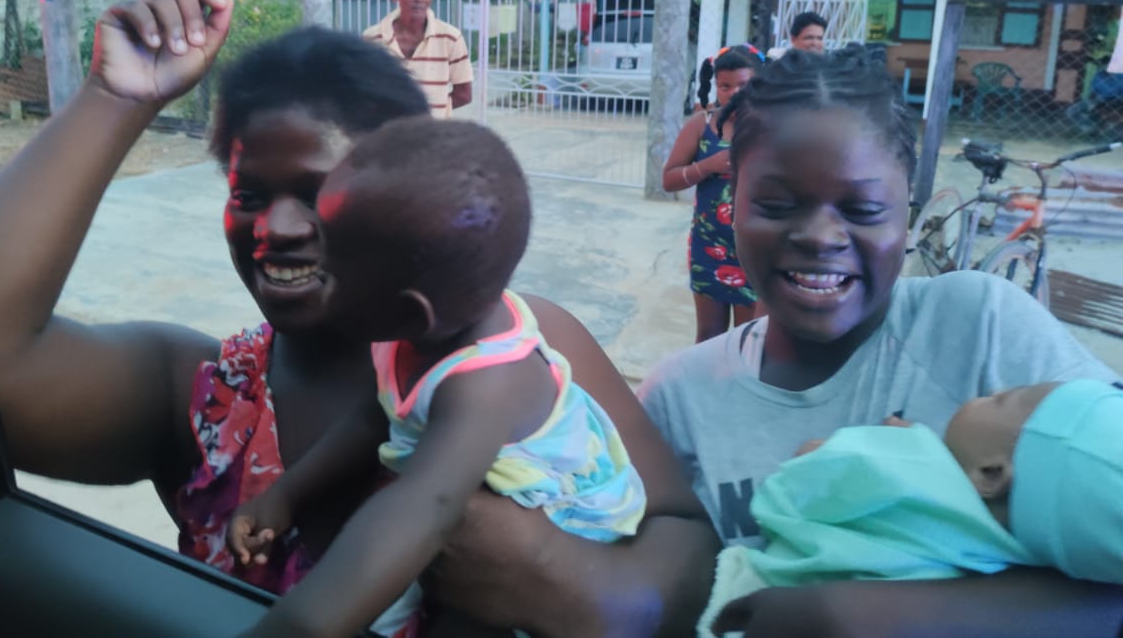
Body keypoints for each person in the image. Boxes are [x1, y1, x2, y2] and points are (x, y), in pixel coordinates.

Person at [0, 0, 715, 637]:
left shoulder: (523, 348)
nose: (275, 227)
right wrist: (114, 99)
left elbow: (685, 534)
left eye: (321, 192)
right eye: (248, 194)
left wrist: (570, 582)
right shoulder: (204, 399)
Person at [639, 47, 1123, 638]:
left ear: (907, 214)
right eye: (777, 205)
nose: (820, 236)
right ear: (731, 204)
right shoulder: (677, 399)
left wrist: (864, 616)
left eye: (864, 208)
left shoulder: (981, 326)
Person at [230, 118, 650, 637]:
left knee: (466, 612)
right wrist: (285, 496)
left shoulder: (486, 385)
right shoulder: (416, 328)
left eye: (331, 276)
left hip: (561, 528)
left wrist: (292, 627)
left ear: (410, 313)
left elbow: (423, 509)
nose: (318, 277)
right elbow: (371, 417)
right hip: (452, 497)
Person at [695, 379, 1123, 637]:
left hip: (760, 605)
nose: (992, 390)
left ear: (990, 474)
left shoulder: (909, 458)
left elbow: (792, 482)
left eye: (1003, 399)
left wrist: (891, 447)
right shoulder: (1030, 560)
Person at [663, 46, 763, 342]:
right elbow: (668, 180)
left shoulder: (772, 127)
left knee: (748, 339)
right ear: (715, 86)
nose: (734, 93)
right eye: (725, 86)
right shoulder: (702, 124)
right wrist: (707, 166)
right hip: (709, 247)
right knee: (709, 337)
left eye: (744, 85)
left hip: (755, 249)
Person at [364, 0, 473, 118]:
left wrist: (435, 113)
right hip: (388, 132)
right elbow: (365, 92)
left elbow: (464, 95)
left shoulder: (451, 38)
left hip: (432, 132)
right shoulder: (372, 39)